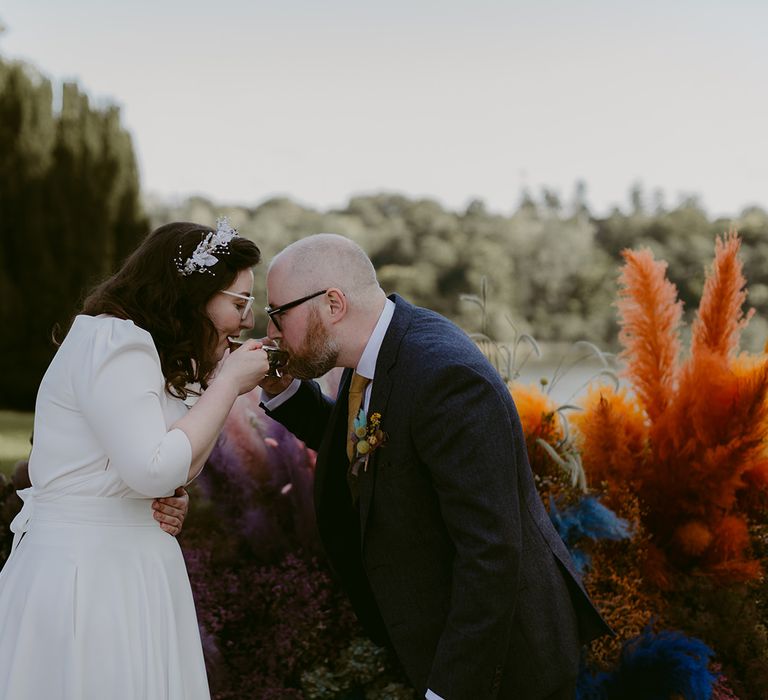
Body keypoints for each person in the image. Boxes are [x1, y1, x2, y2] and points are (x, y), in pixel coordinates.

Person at [260, 234, 611, 700]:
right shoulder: (373, 354)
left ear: (333, 304)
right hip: (449, 641)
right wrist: (283, 393)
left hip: (506, 663)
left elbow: (490, 553)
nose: (272, 333)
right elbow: (374, 450)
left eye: (278, 313)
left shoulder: (444, 377)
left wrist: (447, 691)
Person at [0, 218, 269, 699]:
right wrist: (228, 383)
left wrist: (168, 493)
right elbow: (153, 468)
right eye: (239, 302)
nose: (249, 319)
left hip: (132, 569)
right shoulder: (115, 342)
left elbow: (171, 468)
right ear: (194, 294)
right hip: (89, 577)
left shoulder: (152, 356)